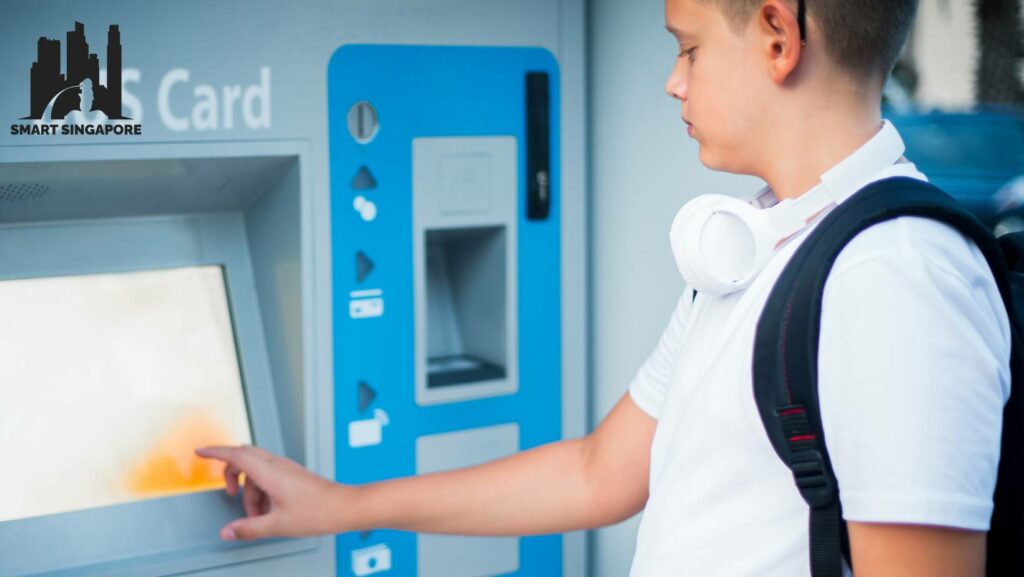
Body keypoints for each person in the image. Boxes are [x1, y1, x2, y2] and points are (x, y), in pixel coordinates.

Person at [197, 1, 1011, 574]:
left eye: (688, 47)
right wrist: (342, 503)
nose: (673, 81)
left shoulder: (897, 279)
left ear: (776, 34)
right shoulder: (760, 245)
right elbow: (597, 470)